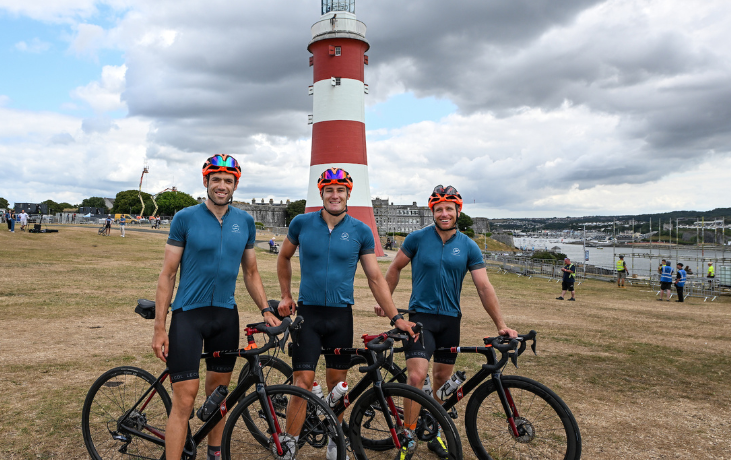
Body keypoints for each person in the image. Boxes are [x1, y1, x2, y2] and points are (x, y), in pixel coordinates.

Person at [277, 167, 417, 460]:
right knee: (301, 381)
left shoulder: (360, 231)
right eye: (329, 190)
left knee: (337, 386)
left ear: (348, 194)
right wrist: (287, 295)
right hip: (309, 316)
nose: (335, 195)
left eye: (340, 190)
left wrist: (396, 317)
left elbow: (376, 278)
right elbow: (284, 257)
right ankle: (289, 441)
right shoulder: (302, 223)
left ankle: (333, 437)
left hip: (340, 315)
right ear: (321, 193)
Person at [150, 154, 280, 460]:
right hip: (188, 316)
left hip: (225, 315)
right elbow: (168, 274)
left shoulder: (245, 222)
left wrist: (265, 309)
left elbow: (250, 272)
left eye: (228, 180)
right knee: (185, 399)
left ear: (235, 185)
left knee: (219, 398)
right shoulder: (185, 218)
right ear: (206, 181)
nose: (222, 186)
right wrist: (159, 327)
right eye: (216, 179)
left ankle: (214, 454)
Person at [379, 184, 517, 457]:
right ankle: (408, 434)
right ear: (433, 211)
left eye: (449, 209)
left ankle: (434, 430)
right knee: (416, 376)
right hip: (421, 318)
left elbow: (483, 287)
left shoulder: (468, 246)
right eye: (439, 209)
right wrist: (386, 302)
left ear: (457, 211)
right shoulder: (417, 238)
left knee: (442, 380)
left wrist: (500, 324)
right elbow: (394, 267)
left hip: (450, 320)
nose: (444, 213)